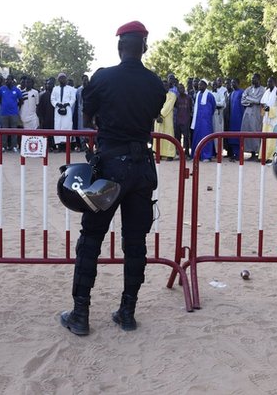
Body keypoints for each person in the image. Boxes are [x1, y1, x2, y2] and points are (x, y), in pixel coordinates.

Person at [59, 20, 165, 336]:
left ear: (119, 46)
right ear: (144, 46)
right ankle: (127, 311)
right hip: (142, 169)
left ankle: (80, 314)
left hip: (109, 167)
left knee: (90, 239)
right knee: (135, 243)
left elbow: (88, 116)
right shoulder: (155, 84)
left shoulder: (103, 78)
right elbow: (151, 114)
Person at [240, 74, 266, 160]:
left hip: (257, 114)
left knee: (256, 132)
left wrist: (248, 98)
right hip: (247, 113)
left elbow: (259, 101)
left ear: (258, 79)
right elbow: (242, 100)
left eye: (254, 79)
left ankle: (257, 152)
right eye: (252, 79)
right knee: (248, 132)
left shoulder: (263, 90)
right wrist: (249, 101)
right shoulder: (248, 89)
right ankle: (251, 153)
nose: (252, 80)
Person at [51, 73, 77, 151]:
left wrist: (67, 104)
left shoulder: (71, 89)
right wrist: (57, 104)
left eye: (64, 78)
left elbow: (73, 99)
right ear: (58, 80)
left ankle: (67, 146)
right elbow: (52, 99)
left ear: (66, 79)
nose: (62, 80)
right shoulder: (55, 89)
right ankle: (59, 146)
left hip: (67, 109)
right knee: (58, 126)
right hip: (58, 109)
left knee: (67, 126)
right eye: (61, 78)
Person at [191, 80, 216, 161]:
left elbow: (213, 106)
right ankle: (197, 155)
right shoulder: (198, 94)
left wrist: (207, 115)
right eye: (198, 85)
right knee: (197, 137)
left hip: (206, 121)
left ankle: (206, 156)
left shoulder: (209, 95)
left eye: (201, 85)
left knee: (206, 137)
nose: (199, 86)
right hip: (198, 121)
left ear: (205, 86)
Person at [0, 75, 23, 151]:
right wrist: (4, 105)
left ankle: (14, 146)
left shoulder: (17, 90)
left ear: (12, 80)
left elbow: (21, 100)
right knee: (4, 131)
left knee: (14, 131)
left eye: (8, 80)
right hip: (4, 113)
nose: (6, 81)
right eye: (6, 80)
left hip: (14, 113)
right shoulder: (2, 89)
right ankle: (4, 147)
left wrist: (15, 106)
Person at [155, 80, 177, 160]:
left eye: (166, 86)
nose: (165, 87)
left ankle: (170, 154)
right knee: (158, 135)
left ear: (169, 86)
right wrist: (156, 115)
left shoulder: (173, 95)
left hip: (167, 117)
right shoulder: (157, 94)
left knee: (168, 135)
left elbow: (169, 105)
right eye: (163, 85)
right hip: (158, 117)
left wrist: (161, 114)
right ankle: (158, 153)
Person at [260, 76, 277, 159]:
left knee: (272, 139)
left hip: (273, 119)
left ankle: (271, 157)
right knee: (265, 137)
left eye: (270, 82)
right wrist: (264, 107)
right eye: (268, 82)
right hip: (266, 118)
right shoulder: (267, 91)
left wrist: (270, 109)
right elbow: (262, 102)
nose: (268, 83)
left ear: (274, 83)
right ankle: (264, 156)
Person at [173, 83, 193, 156]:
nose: (181, 89)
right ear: (178, 90)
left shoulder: (188, 98)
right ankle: (178, 152)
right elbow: (175, 107)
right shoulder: (176, 98)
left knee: (186, 137)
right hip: (178, 120)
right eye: (180, 88)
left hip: (186, 120)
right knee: (177, 137)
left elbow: (190, 108)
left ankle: (187, 153)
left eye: (182, 88)